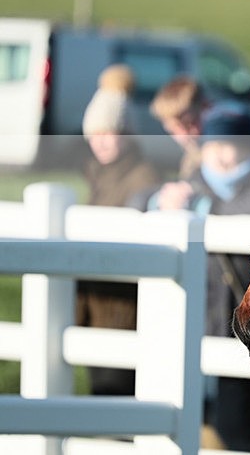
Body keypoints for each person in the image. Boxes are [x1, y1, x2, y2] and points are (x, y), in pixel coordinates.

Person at [148, 105, 250, 454]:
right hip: (220, 324)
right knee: (231, 423)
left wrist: (201, 211)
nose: (220, 153)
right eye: (213, 144)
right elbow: (138, 202)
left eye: (230, 144)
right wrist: (158, 202)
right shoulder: (193, 184)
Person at [77, 64, 162, 395]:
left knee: (116, 393)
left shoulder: (143, 179)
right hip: (94, 305)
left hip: (122, 310)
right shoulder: (97, 176)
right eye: (94, 134)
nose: (100, 142)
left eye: (109, 133)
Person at [150, 75, 209, 178]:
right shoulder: (191, 158)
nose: (183, 136)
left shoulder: (221, 154)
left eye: (189, 124)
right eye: (173, 131)